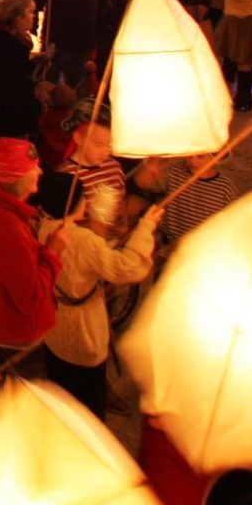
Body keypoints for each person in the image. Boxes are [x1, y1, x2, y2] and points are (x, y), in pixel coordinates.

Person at [33, 171, 160, 415]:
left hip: (54, 324)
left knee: (61, 391)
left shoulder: (45, 227)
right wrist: (146, 228)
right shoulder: (83, 240)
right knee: (88, 402)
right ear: (77, 203)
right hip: (83, 332)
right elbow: (127, 267)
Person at [0, 137, 62, 365]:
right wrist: (53, 253)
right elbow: (30, 297)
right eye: (31, 168)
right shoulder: (4, 226)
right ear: (15, 178)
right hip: (14, 336)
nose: (39, 171)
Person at [0, 0, 41, 150]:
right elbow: (12, 78)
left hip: (5, 112)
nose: (34, 17)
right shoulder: (7, 44)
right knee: (7, 149)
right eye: (30, 13)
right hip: (9, 114)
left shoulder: (8, 39)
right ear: (17, 18)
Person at [134, 153, 238, 250]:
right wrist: (152, 165)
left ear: (216, 158)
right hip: (165, 243)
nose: (192, 161)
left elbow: (230, 226)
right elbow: (143, 182)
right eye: (190, 155)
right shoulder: (175, 170)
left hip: (198, 249)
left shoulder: (225, 188)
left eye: (200, 157)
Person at [58, 120, 126, 239]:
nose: (106, 152)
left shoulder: (114, 167)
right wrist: (87, 226)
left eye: (109, 145)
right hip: (85, 242)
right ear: (79, 138)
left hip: (114, 240)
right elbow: (59, 224)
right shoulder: (66, 176)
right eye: (98, 145)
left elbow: (121, 204)